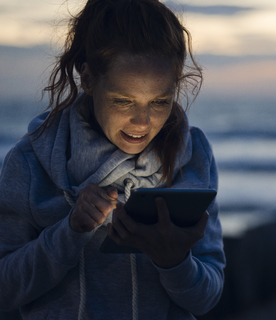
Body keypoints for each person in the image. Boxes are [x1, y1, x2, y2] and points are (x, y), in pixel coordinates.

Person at [0, 0, 225, 319]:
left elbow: (208, 297)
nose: (143, 121)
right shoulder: (30, 162)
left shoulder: (193, 155)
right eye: (124, 101)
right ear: (89, 79)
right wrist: (70, 231)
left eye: (160, 101)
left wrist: (174, 262)